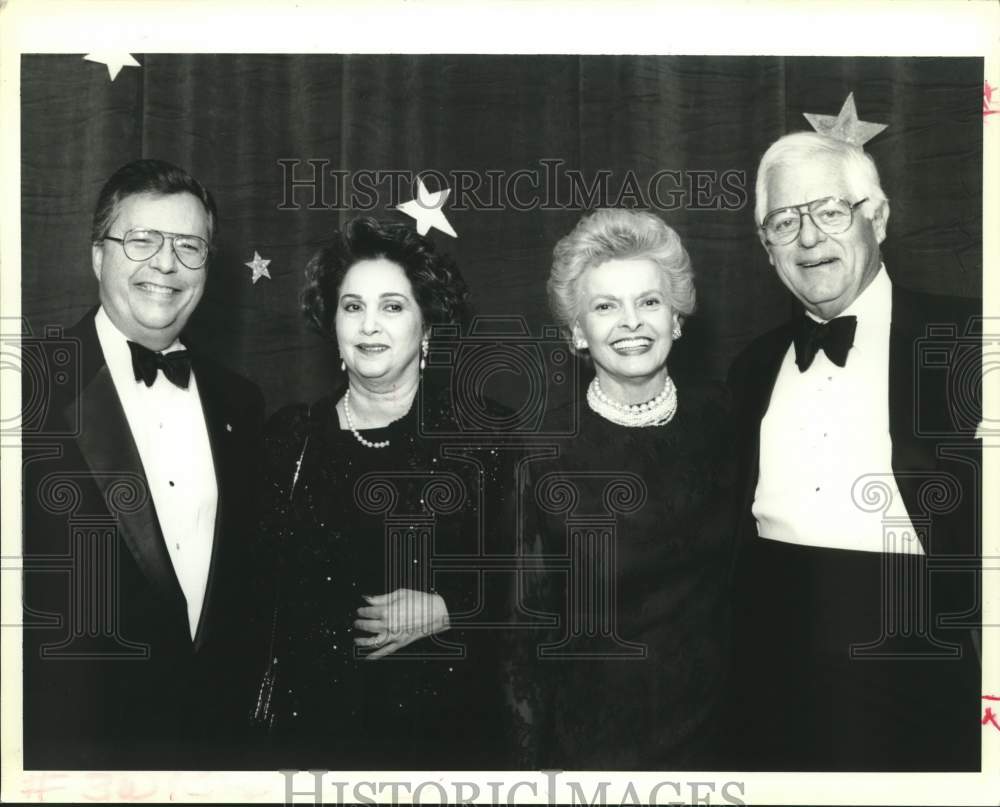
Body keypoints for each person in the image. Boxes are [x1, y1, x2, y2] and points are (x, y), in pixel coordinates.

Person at [725, 131, 982, 770]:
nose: (808, 240)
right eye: (784, 223)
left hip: (923, 660)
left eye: (830, 212)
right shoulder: (750, 366)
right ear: (766, 249)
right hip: (767, 666)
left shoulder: (973, 340)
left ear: (880, 217)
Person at [21, 159, 266, 769]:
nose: (166, 264)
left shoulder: (242, 401)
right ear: (98, 257)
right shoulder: (26, 390)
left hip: (216, 747)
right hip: (70, 752)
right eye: (141, 240)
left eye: (189, 246)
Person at [256, 216, 509, 769]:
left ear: (427, 325)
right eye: (353, 306)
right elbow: (252, 597)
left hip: (450, 744)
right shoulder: (289, 439)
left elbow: (536, 585)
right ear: (334, 325)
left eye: (393, 306)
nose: (370, 325)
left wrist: (451, 610)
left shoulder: (485, 436)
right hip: (315, 742)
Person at [508, 208, 735, 769]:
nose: (631, 323)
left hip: (725, 739)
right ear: (577, 332)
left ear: (677, 319)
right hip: (595, 749)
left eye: (649, 302)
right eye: (605, 306)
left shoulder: (727, 419)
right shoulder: (542, 453)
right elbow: (522, 638)